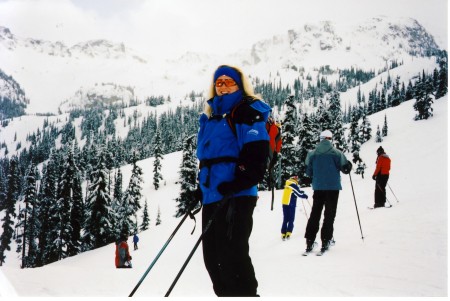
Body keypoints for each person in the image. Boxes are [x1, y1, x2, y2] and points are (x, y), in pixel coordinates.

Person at [196, 65, 271, 297]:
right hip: (213, 196)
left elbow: (257, 156)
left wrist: (238, 182)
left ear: (240, 85)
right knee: (213, 260)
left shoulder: (247, 111)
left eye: (229, 82)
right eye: (219, 83)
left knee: (232, 257)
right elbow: (208, 160)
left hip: (237, 195)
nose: (223, 87)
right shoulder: (211, 118)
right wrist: (201, 190)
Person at [303, 130, 352, 253]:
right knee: (329, 214)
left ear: (320, 139)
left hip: (318, 187)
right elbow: (345, 169)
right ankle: (326, 240)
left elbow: (308, 172)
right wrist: (348, 166)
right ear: (330, 139)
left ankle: (309, 241)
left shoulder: (312, 154)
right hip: (333, 188)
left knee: (315, 213)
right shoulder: (337, 153)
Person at [281, 175, 308, 240]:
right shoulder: (293, 184)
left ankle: (283, 233)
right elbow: (299, 194)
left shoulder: (288, 183)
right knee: (291, 218)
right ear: (293, 178)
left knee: (285, 218)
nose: (297, 179)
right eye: (296, 177)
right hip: (291, 203)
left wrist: (300, 192)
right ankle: (288, 233)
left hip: (284, 203)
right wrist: (305, 196)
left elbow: (294, 192)